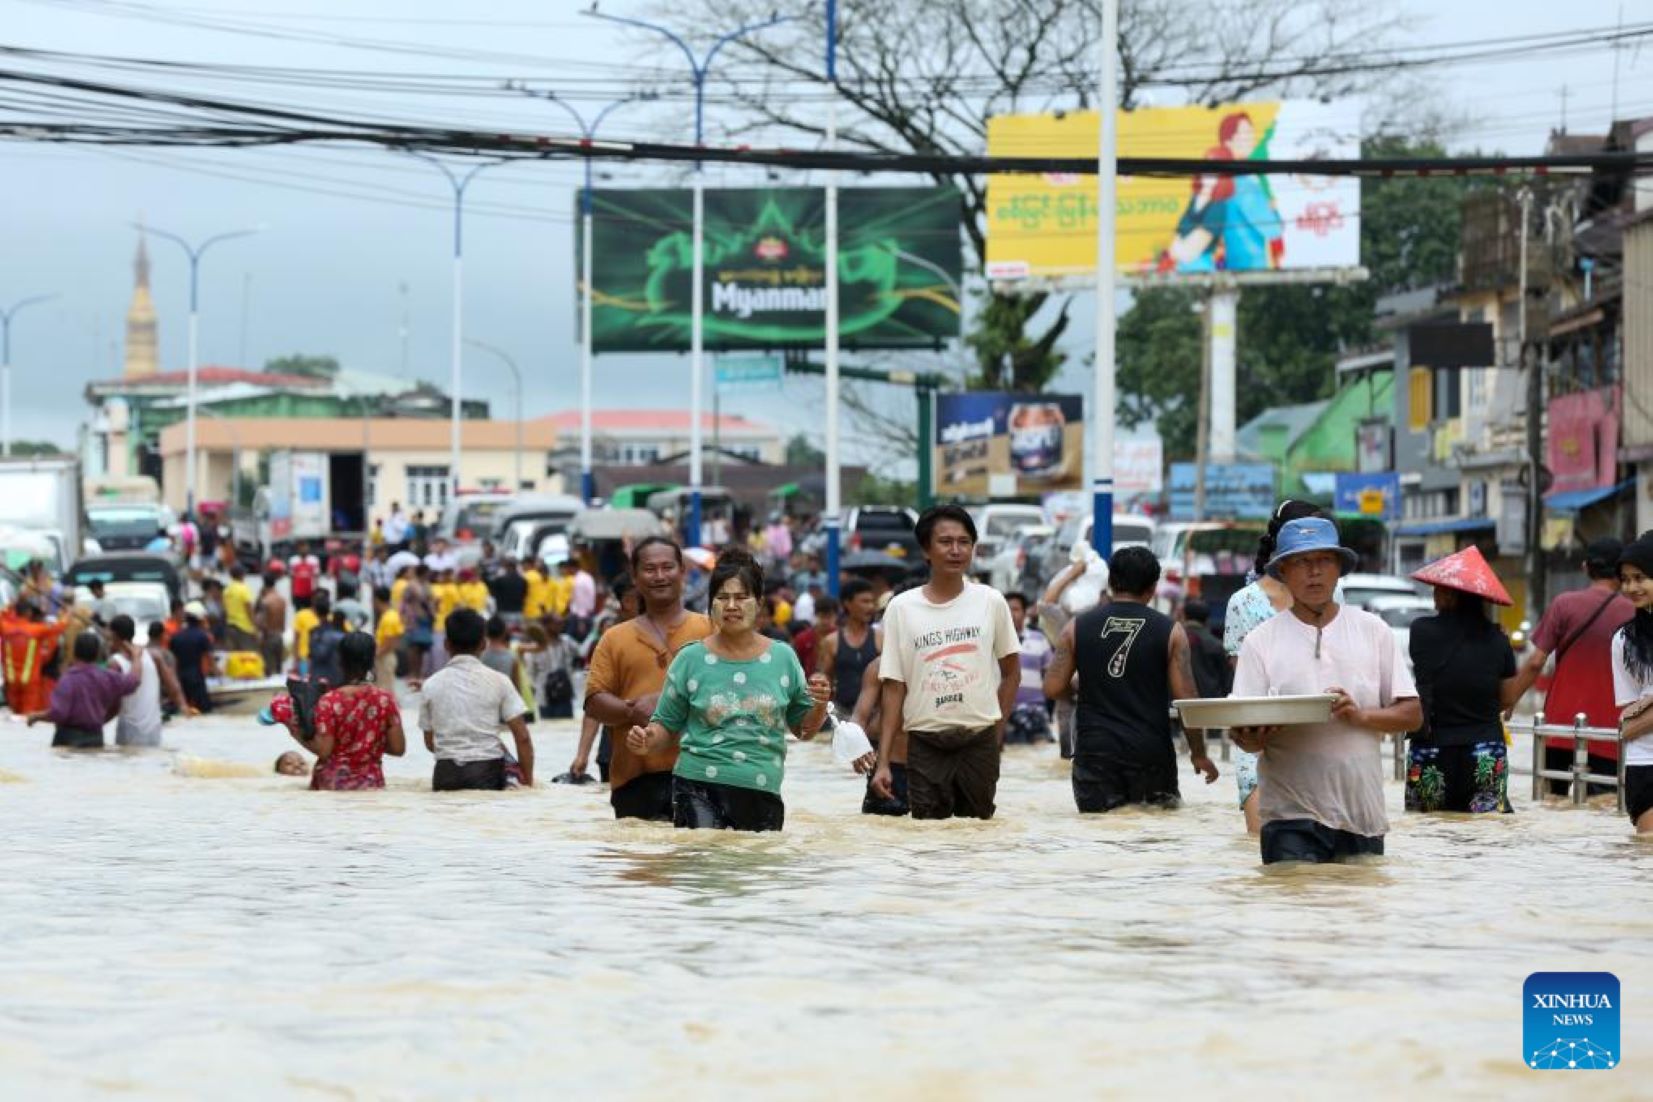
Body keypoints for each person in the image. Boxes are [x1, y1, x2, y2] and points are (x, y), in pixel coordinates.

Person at [1230, 518, 1420, 864]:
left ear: (1338, 569)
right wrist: (1255, 735)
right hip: (1288, 816)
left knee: (1357, 910)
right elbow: (1245, 735)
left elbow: (1411, 714)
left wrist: (1360, 715)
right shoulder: (1260, 642)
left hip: (1361, 816)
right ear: (1284, 572)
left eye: (1323, 561)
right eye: (1301, 562)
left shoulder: (1373, 631)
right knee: (1295, 904)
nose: (1313, 572)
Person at [628, 548, 830, 831]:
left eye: (741, 597)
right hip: (697, 785)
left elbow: (804, 731)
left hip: (762, 788)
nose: (731, 606)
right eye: (722, 598)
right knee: (703, 857)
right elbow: (666, 725)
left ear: (759, 603)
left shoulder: (783, 658)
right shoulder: (690, 659)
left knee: (753, 870)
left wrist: (819, 706)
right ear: (711, 605)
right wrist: (647, 738)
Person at [872, 505, 1020, 821]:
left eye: (964, 542)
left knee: (978, 834)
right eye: (946, 542)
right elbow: (893, 687)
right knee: (928, 835)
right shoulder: (901, 608)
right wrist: (883, 761)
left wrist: (997, 732)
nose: (956, 550)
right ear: (926, 549)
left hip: (979, 740)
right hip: (925, 742)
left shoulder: (991, 601)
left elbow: (1011, 673)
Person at [1045, 547, 1217, 812]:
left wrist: (1082, 686)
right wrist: (1199, 753)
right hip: (1150, 752)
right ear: (1152, 588)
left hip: (1096, 751)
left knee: (1098, 837)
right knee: (1153, 838)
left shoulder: (1076, 628)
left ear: (1111, 583)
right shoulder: (1171, 632)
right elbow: (1187, 700)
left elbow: (1053, 687)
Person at [1223, 500, 1345, 834]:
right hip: (1260, 740)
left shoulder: (1334, 593)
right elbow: (1244, 681)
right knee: (1265, 848)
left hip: (1323, 739)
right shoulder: (1244, 602)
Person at [580, 537, 713, 819]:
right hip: (635, 780)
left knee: (700, 858)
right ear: (635, 577)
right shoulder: (614, 638)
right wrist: (632, 709)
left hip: (704, 776)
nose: (660, 576)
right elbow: (593, 702)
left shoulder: (711, 631)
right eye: (650, 569)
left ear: (683, 572)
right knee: (641, 859)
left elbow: (732, 696)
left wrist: (673, 707)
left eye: (668, 567)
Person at [1509, 537, 1633, 798]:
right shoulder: (1634, 612)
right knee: (1604, 805)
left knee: (1552, 801)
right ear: (1622, 572)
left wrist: (1508, 703)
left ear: (1586, 567)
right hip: (1609, 730)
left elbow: (1535, 663)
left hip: (1558, 727)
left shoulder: (1563, 604)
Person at [1406, 547, 1520, 815]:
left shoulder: (1421, 630)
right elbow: (1506, 698)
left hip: (1432, 748)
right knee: (1485, 837)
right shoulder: (1498, 640)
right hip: (1485, 749)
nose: (1434, 597)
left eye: (1437, 590)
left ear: (1449, 593)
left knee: (1430, 832)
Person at [268, 632, 405, 790]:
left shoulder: (330, 701)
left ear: (340, 661)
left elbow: (324, 750)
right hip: (371, 784)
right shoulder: (386, 700)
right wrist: (368, 742)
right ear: (371, 662)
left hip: (332, 785)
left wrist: (293, 729)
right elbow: (398, 748)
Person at [419, 608, 535, 791]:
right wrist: (528, 783)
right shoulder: (500, 681)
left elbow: (429, 742)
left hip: (444, 775)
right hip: (487, 772)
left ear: (446, 645)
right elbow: (523, 737)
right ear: (483, 644)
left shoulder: (430, 685)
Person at [1608, 533, 1653, 834]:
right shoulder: (1622, 641)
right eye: (1625, 579)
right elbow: (1627, 714)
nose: (1631, 587)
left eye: (1640, 577)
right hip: (1645, 761)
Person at [26, 630, 140, 748]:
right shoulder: (107, 677)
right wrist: (136, 657)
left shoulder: (68, 680)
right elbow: (133, 681)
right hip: (95, 738)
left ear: (75, 653)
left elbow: (59, 713)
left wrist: (37, 716)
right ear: (97, 654)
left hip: (68, 738)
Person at [107, 614, 190, 747]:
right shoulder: (154, 656)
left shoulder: (115, 663)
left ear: (115, 636)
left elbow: (113, 703)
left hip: (129, 729)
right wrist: (183, 706)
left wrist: (99, 722)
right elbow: (173, 687)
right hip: (153, 727)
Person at [819, 578, 880, 714]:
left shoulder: (881, 638)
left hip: (876, 714)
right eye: (865, 601)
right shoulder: (831, 642)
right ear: (847, 604)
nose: (871, 607)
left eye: (872, 602)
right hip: (842, 713)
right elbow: (825, 681)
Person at [1004, 591, 1054, 744]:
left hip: (1036, 711)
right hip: (1005, 713)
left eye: (1015, 609)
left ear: (1025, 613)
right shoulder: (991, 640)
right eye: (1006, 609)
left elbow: (1051, 675)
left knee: (1041, 752)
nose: (1011, 613)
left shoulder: (1039, 639)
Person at [2, 599, 66, 716]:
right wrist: (67, 614)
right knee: (28, 715)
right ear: (29, 613)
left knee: (15, 714)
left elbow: (1, 616)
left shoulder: (5, 628)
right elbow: (60, 627)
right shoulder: (36, 629)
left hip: (11, 680)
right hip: (30, 681)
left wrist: (8, 607)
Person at [168, 602, 216, 714]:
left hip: (180, 677)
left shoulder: (175, 637)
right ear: (200, 619)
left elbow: (172, 660)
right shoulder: (202, 636)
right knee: (205, 710)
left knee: (184, 710)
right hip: (196, 677)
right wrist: (217, 673)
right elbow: (209, 657)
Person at [523, 620, 576, 720]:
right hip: (544, 695)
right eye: (556, 623)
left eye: (560, 622)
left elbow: (580, 652)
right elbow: (530, 672)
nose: (560, 625)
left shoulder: (566, 641)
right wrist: (536, 688)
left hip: (564, 694)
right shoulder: (533, 648)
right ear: (546, 626)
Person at [1181, 599, 1231, 699]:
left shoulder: (1173, 642)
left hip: (1181, 702)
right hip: (1212, 703)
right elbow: (1227, 680)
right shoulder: (1216, 645)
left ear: (1184, 616)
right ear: (1207, 619)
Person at [789, 596, 837, 683]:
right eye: (822, 617)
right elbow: (794, 665)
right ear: (815, 615)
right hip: (807, 685)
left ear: (836, 616)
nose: (826, 621)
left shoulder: (840, 638)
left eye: (829, 617)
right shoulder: (803, 638)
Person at [255, 570, 287, 682]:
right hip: (279, 635)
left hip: (268, 636)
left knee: (268, 671)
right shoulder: (281, 600)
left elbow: (261, 622)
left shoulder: (265, 601)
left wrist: (262, 638)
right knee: (279, 669)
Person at [372, 586, 403, 691]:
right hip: (386, 656)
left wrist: (376, 655)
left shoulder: (389, 618)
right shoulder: (391, 614)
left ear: (377, 599)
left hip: (385, 657)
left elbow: (389, 643)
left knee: (384, 689)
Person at [223, 564, 258, 652]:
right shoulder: (243, 589)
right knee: (245, 656)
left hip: (230, 625)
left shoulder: (226, 590)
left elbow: (225, 608)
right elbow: (249, 609)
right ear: (242, 575)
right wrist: (254, 627)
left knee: (234, 655)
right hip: (243, 627)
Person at [489, 556, 529, 629]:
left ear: (506, 567)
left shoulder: (499, 580)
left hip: (503, 612)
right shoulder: (523, 581)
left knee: (504, 633)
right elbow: (525, 594)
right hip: (518, 612)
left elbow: (493, 594)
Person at [289, 541, 321, 611]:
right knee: (298, 613)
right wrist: (291, 594)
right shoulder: (293, 560)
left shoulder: (314, 560)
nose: (304, 549)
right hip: (298, 593)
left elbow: (317, 578)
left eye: (305, 547)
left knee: (309, 613)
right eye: (302, 548)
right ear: (298, 549)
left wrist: (316, 593)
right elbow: (292, 579)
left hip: (310, 593)